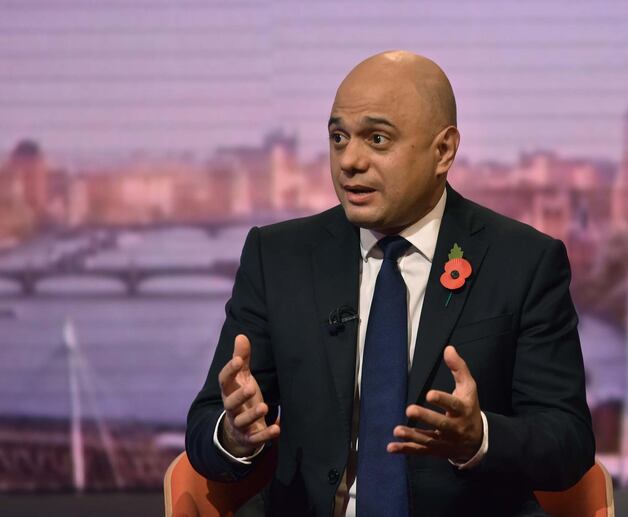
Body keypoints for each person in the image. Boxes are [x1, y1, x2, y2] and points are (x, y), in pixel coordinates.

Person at [185, 50, 595, 517]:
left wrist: (478, 437)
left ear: (443, 151)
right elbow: (204, 427)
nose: (349, 162)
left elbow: (568, 440)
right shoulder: (277, 257)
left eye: (377, 139)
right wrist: (234, 435)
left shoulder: (523, 262)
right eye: (338, 138)